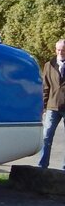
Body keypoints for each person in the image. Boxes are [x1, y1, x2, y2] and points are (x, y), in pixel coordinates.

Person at [39, 38, 65, 168]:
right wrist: (43, 106)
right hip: (52, 106)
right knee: (46, 137)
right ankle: (42, 166)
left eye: (63, 50)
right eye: (59, 50)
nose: (61, 52)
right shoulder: (49, 65)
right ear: (55, 50)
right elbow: (45, 87)